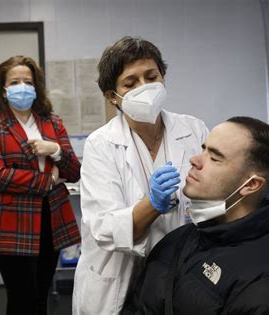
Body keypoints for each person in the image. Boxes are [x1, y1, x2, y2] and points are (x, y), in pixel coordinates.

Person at [72, 36, 209, 314]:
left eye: (151, 77)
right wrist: (152, 204)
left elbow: (214, 197)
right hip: (121, 280)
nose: (145, 88)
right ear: (113, 96)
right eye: (130, 83)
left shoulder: (194, 130)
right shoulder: (101, 144)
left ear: (163, 77)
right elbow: (104, 229)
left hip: (184, 271)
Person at [123, 116, 269, 314]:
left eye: (215, 157)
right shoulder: (180, 237)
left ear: (251, 185)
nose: (195, 160)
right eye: (203, 149)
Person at [0, 55, 81, 315]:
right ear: (3, 88)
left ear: (36, 87)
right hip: (10, 223)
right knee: (21, 298)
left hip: (50, 219)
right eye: (15, 81)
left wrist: (55, 149)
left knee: (41, 296)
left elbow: (75, 171)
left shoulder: (52, 122)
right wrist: (47, 180)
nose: (22, 86)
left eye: (28, 81)